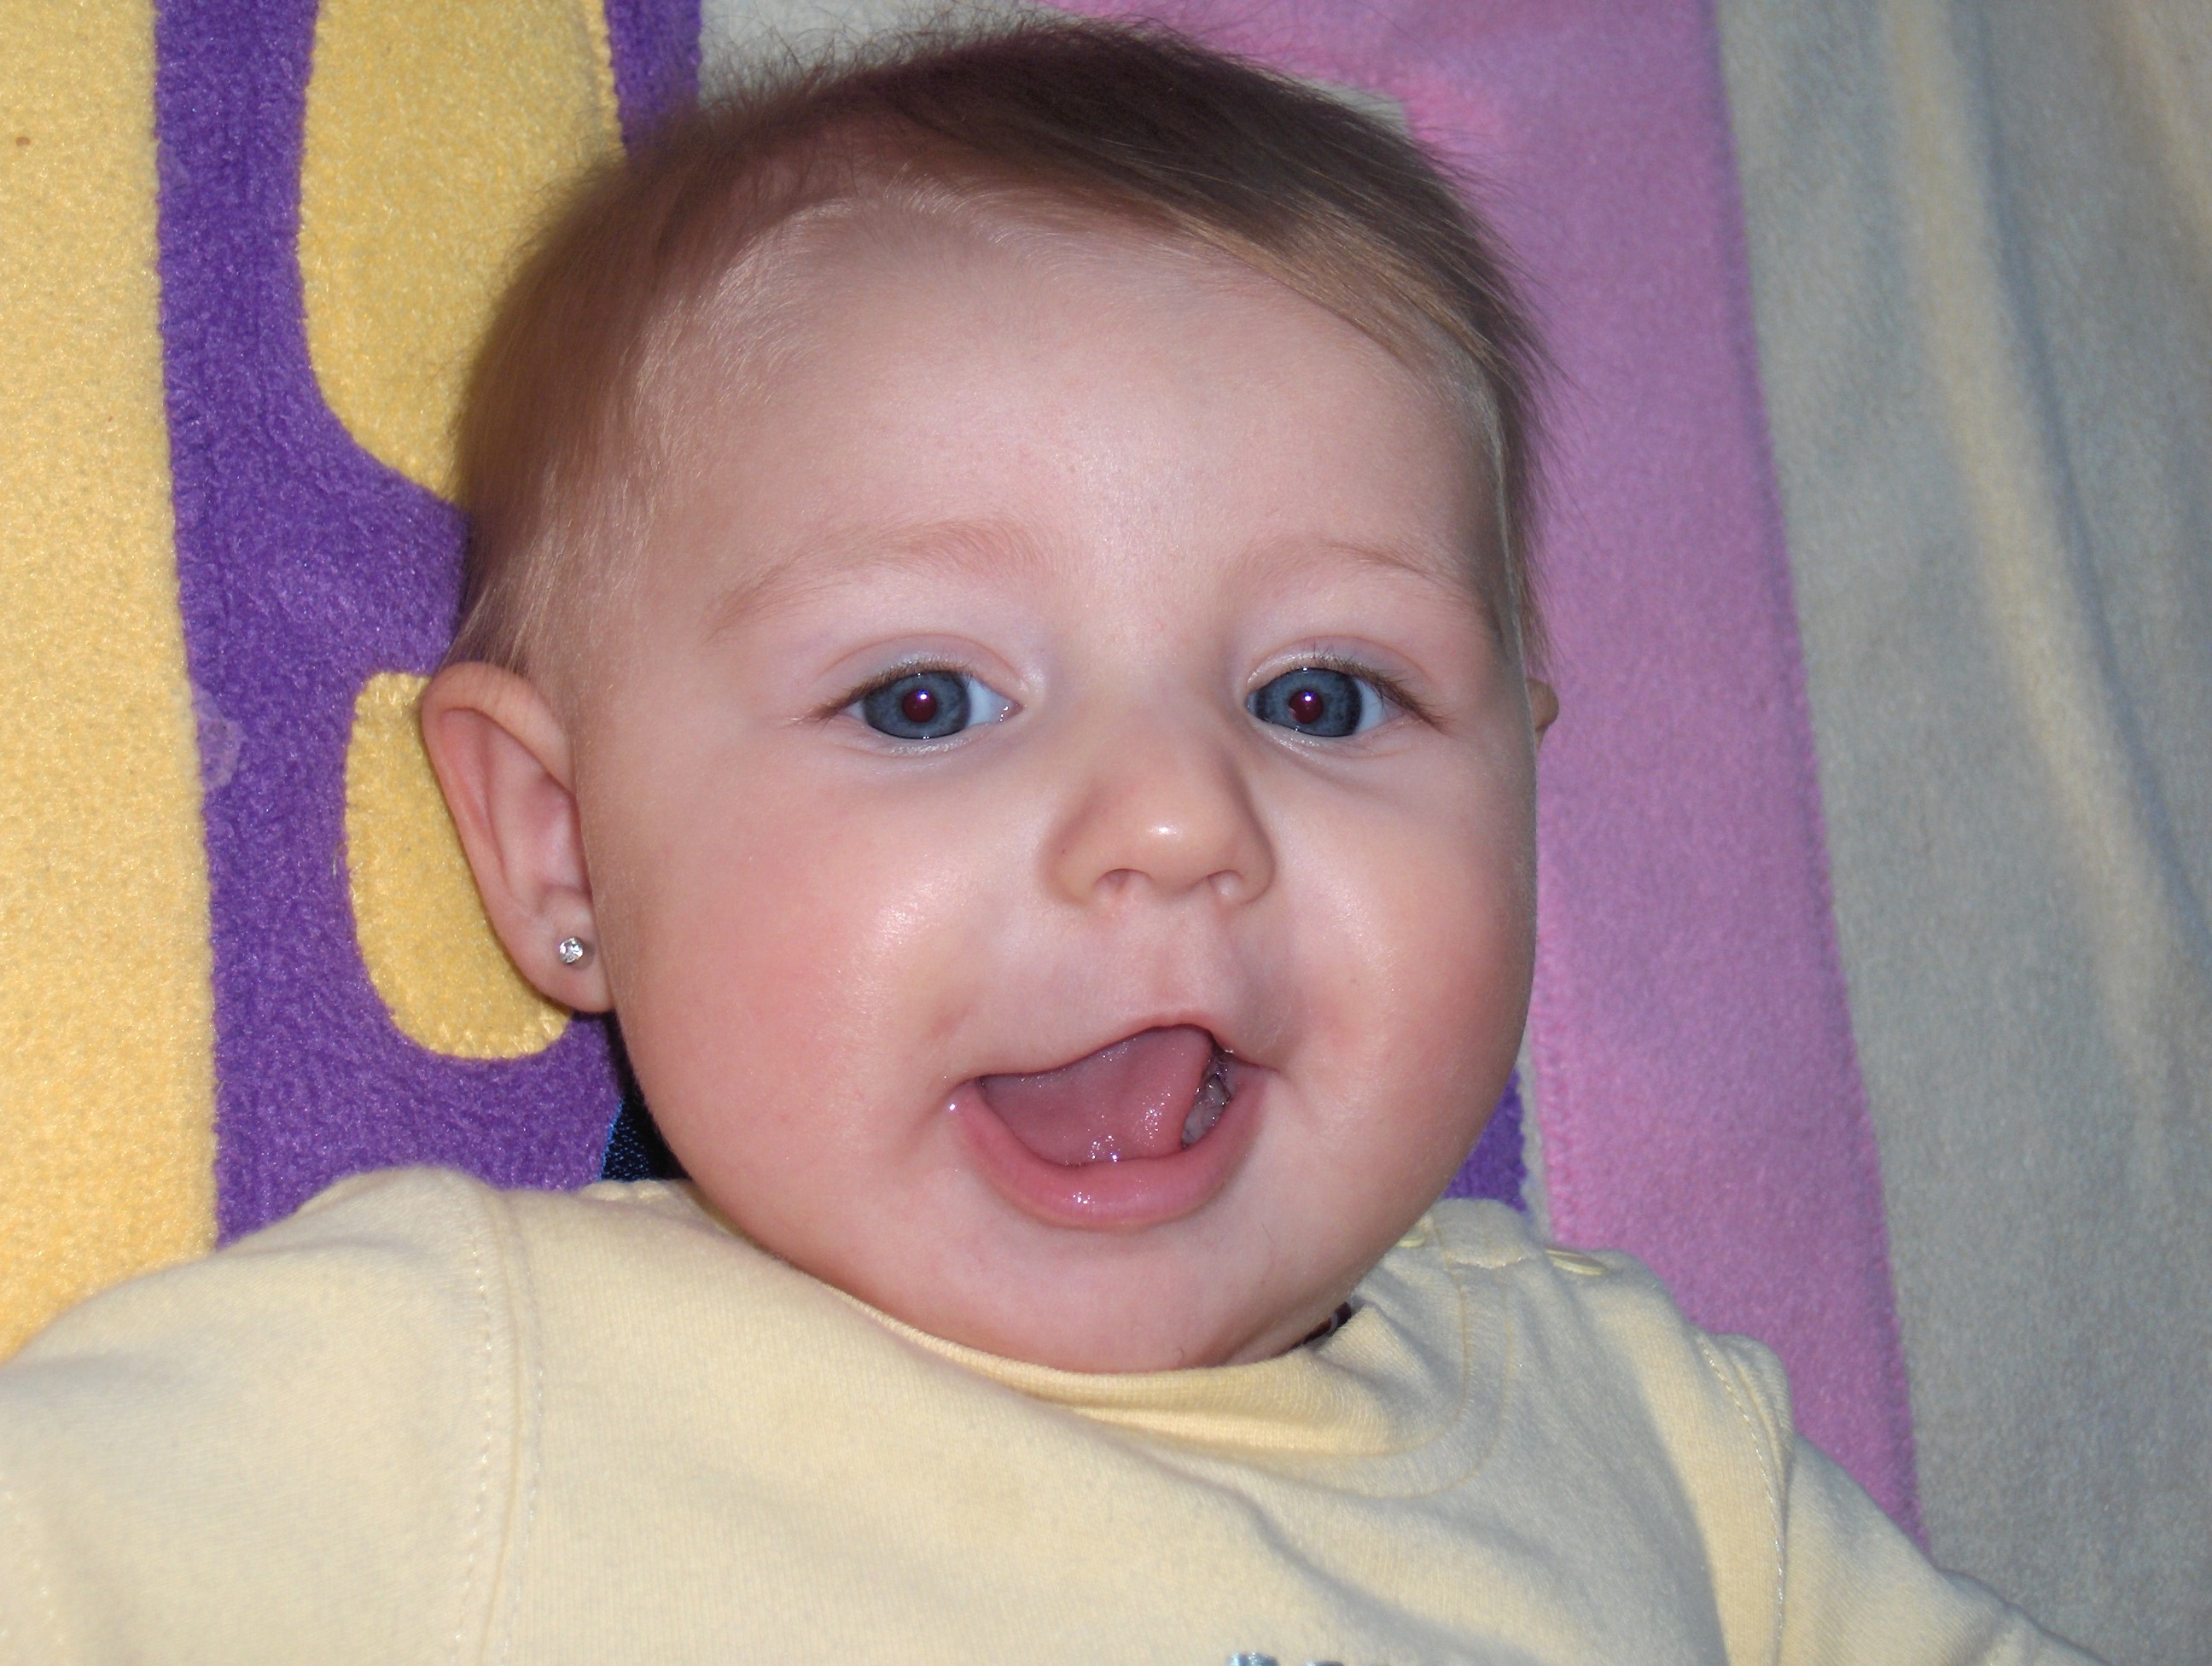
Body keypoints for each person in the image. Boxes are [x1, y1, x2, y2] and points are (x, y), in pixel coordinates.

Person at [0, 18, 2097, 1663]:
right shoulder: (455, 1392)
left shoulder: (1648, 1439)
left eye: (1323, 697)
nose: (1179, 819)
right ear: (561, 846)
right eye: (926, 699)